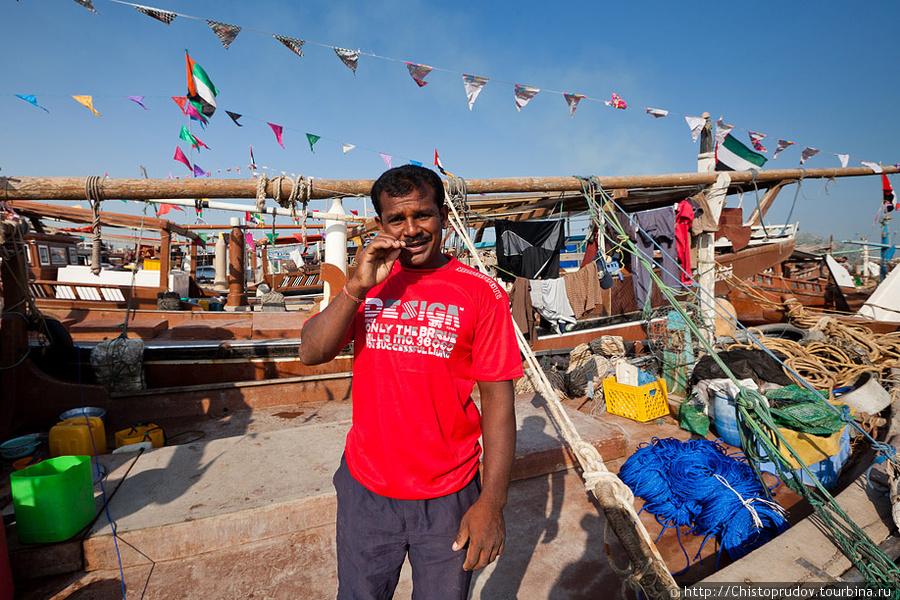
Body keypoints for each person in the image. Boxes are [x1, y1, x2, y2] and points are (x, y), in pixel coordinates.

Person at [299, 165, 523, 600]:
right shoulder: (364, 283)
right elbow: (311, 351)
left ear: (442, 214)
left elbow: (498, 402)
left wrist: (491, 502)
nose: (412, 230)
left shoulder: (482, 292)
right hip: (366, 489)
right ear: (380, 224)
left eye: (422, 215)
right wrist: (357, 286)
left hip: (448, 496)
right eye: (396, 219)